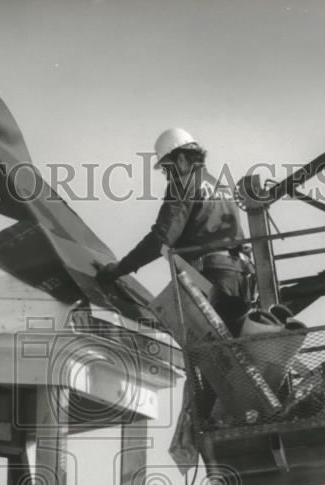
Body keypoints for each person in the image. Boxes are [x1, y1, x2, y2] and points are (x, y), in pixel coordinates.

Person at [97, 127, 252, 333]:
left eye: (166, 168)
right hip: (240, 279)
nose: (166, 175)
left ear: (180, 159)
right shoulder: (219, 187)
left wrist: (120, 269)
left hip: (211, 279)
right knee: (233, 351)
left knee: (204, 349)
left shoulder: (183, 185)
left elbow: (162, 237)